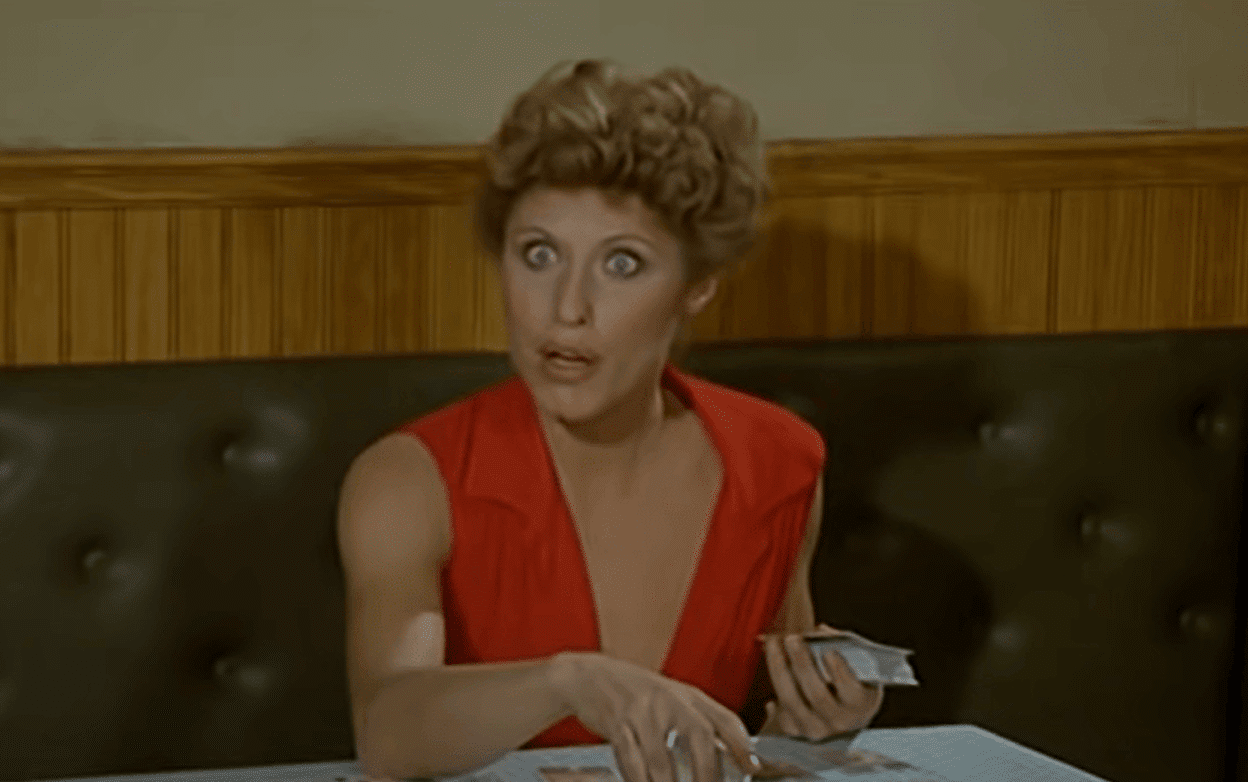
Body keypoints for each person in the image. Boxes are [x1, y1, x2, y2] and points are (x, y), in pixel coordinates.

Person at [336, 59, 883, 782]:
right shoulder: (409, 479)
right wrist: (569, 681)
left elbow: (752, 744)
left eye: (621, 263)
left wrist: (816, 726)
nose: (567, 308)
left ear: (698, 285)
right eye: (539, 255)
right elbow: (388, 731)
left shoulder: (778, 460)